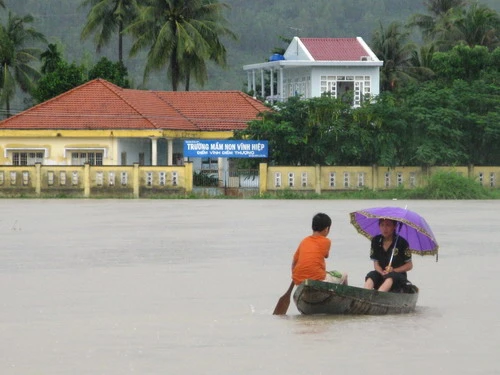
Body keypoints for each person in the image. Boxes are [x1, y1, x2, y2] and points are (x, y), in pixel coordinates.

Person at [291, 213, 348, 286]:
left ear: (312, 227)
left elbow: (294, 263)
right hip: (318, 279)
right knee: (344, 275)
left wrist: (296, 278)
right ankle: (343, 297)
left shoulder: (304, 241)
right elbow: (326, 256)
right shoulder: (326, 241)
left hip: (299, 281)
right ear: (327, 229)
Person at [363, 218, 413, 292]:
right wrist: (382, 272)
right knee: (371, 275)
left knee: (390, 277)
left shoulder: (402, 242)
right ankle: (365, 295)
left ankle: (379, 296)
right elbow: (376, 264)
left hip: (398, 276)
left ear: (394, 227)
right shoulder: (376, 240)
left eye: (388, 225)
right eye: (382, 225)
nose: (384, 228)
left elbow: (409, 265)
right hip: (382, 273)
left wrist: (393, 270)